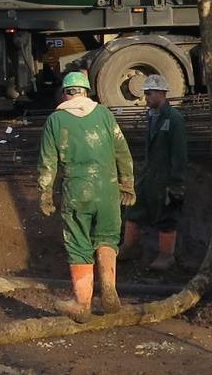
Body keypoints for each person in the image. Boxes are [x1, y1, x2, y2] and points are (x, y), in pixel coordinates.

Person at [36, 70, 135, 322]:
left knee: (79, 243)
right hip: (108, 189)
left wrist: (45, 192)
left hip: (78, 190)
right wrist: (127, 183)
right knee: (107, 238)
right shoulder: (103, 114)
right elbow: (121, 149)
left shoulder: (55, 120)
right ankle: (109, 289)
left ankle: (82, 304)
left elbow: (48, 162)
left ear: (65, 93)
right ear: (86, 91)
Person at [124, 73, 188, 272]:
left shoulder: (174, 118)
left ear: (162, 93)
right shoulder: (151, 116)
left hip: (165, 177)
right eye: (145, 94)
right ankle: (129, 248)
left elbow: (179, 152)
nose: (146, 98)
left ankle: (166, 255)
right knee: (134, 210)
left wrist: (177, 182)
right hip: (149, 176)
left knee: (166, 216)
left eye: (149, 93)